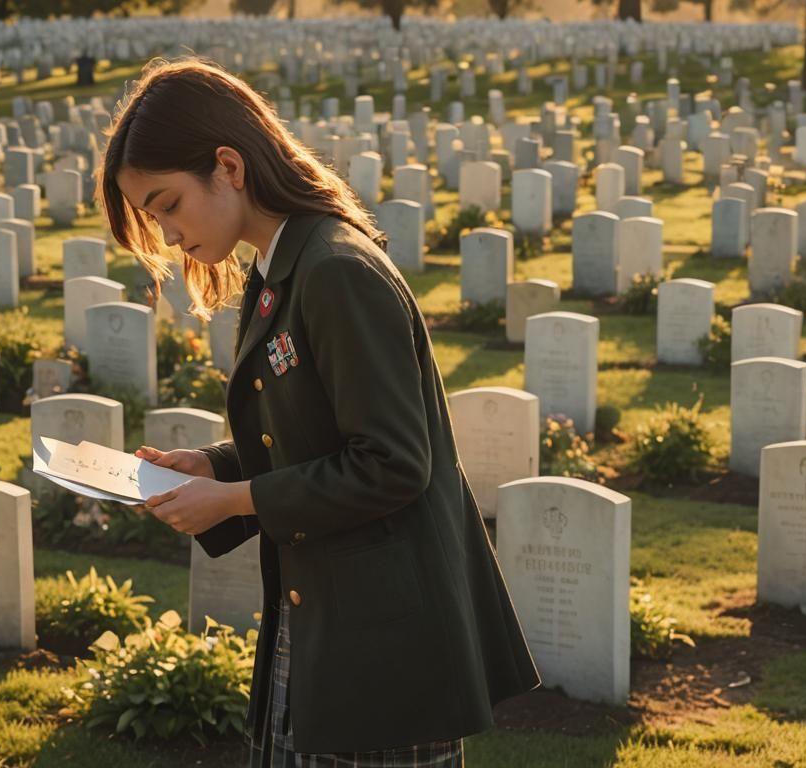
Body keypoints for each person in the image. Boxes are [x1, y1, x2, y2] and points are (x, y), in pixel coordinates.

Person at [98, 56, 540, 765]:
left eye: (168, 205)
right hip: (327, 623)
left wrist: (234, 498)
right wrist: (208, 467)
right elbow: (310, 431)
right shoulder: (281, 267)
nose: (170, 236)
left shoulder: (333, 270)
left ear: (229, 166)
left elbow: (392, 465)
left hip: (384, 648)